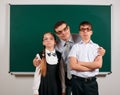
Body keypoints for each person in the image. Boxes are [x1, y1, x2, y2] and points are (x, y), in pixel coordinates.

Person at [33, 21, 105, 95]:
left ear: (69, 28)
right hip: (63, 76)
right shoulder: (55, 45)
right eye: (59, 32)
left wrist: (102, 51)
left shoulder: (80, 37)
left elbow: (91, 47)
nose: (63, 33)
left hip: (79, 75)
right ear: (56, 34)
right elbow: (45, 53)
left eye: (65, 29)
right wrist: (36, 60)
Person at [68, 21, 103, 95]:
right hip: (77, 82)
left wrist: (80, 63)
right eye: (82, 29)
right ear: (79, 32)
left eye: (88, 29)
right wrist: (92, 67)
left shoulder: (97, 47)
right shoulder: (75, 47)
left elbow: (98, 65)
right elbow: (73, 66)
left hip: (91, 83)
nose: (85, 31)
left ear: (91, 32)